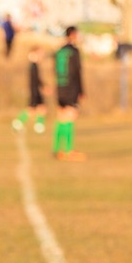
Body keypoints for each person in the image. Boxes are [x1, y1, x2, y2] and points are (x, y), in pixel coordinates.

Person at [53, 26, 86, 162]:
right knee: (70, 117)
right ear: (72, 34)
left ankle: (56, 149)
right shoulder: (74, 51)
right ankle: (68, 150)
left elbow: (55, 70)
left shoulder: (59, 51)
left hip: (60, 87)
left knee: (61, 118)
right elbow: (77, 72)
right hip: (71, 87)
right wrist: (81, 91)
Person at [12, 45, 48, 134]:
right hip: (35, 91)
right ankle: (18, 122)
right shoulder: (33, 65)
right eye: (40, 53)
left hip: (36, 91)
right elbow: (36, 80)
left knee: (41, 109)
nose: (41, 55)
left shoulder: (35, 65)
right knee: (31, 110)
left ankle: (38, 126)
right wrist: (43, 87)